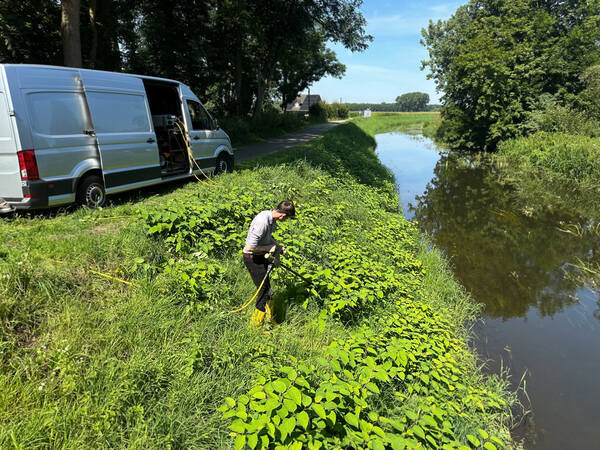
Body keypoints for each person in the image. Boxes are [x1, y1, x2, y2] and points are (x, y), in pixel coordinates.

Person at [243, 200, 295, 327]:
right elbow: (249, 247)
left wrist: (278, 246)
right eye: (287, 218)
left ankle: (270, 320)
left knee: (268, 291)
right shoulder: (262, 222)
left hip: (260, 257)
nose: (285, 220)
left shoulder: (271, 219)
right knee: (264, 291)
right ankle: (256, 325)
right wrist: (267, 249)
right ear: (283, 215)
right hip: (252, 259)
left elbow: (267, 238)